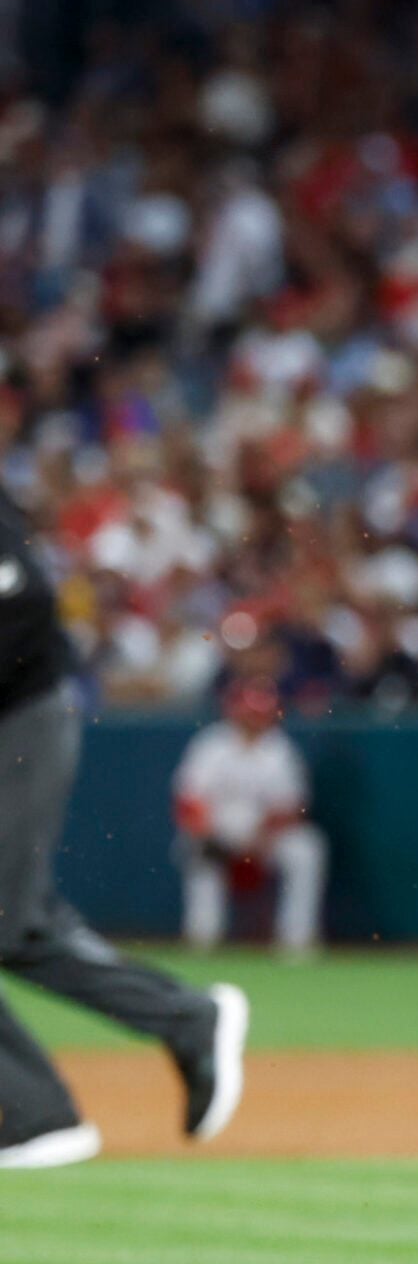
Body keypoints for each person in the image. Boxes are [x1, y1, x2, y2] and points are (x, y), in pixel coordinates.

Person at [0, 489, 250, 1170]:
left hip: (17, 716)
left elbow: (18, 611)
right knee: (22, 924)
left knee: (5, 917)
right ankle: (184, 1019)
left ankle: (32, 1115)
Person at [175, 679, 328, 957]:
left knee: (307, 849)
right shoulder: (211, 744)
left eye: (259, 711)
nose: (252, 717)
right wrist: (205, 831)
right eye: (247, 710)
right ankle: (202, 937)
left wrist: (263, 838)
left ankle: (296, 940)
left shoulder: (279, 749)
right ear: (233, 710)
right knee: (197, 850)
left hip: (266, 835)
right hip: (218, 830)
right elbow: (189, 800)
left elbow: (293, 808)